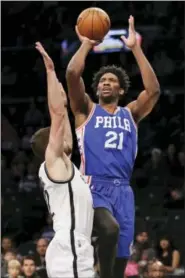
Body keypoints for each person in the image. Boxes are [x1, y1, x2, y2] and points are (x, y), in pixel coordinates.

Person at [66, 15, 160, 278]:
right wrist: (85, 43)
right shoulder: (85, 110)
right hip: (93, 186)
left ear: (120, 89)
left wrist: (136, 49)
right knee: (109, 229)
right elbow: (73, 74)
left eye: (111, 80)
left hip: (123, 191)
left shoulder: (131, 113)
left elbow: (153, 91)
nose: (106, 82)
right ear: (97, 89)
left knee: (120, 262)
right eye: (102, 81)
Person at [31, 42, 95, 278]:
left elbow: (64, 123)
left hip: (74, 247)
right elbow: (57, 114)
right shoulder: (54, 162)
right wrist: (50, 72)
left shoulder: (63, 164)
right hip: (70, 248)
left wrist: (65, 102)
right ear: (51, 145)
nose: (62, 135)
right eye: (57, 135)